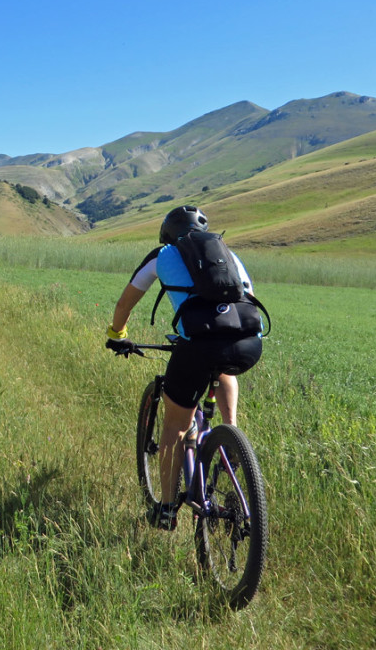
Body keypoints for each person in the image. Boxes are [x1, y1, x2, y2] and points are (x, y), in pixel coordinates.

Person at [105, 205, 263, 530]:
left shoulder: (163, 254)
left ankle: (164, 508)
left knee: (176, 426)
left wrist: (118, 334)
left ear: (167, 233)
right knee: (222, 367)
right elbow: (246, 297)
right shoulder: (227, 254)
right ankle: (230, 437)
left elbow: (125, 303)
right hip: (248, 341)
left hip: (197, 346)